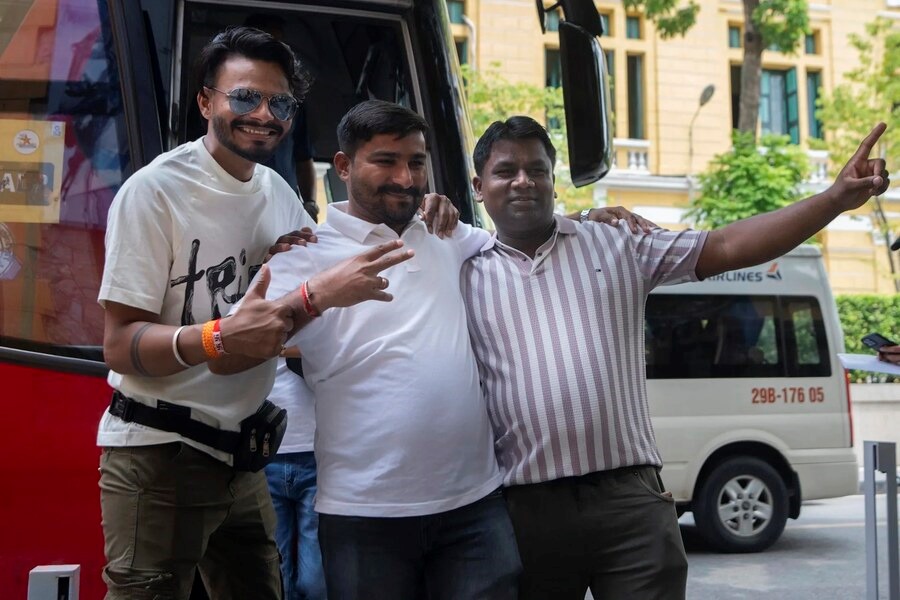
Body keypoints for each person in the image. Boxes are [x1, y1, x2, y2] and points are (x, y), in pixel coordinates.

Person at [218, 99, 649, 599]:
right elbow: (229, 353)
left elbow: (521, 233)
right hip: (363, 514)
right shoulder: (302, 254)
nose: (405, 177)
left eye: (417, 162)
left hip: (476, 509)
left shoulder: (449, 235)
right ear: (343, 166)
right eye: (386, 161)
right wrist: (315, 297)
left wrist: (589, 217)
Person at [460, 115, 891, 600]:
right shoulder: (460, 268)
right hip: (524, 510)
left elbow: (727, 245)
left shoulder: (617, 241)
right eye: (506, 171)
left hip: (631, 503)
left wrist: (834, 199)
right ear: (478, 186)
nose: (523, 181)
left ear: (554, 182)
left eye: (537, 169)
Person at [96, 28, 417, 599]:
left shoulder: (276, 192)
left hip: (244, 455)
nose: (265, 114)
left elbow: (296, 315)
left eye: (281, 103)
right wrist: (218, 337)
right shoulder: (154, 192)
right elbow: (120, 345)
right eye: (245, 97)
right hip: (158, 453)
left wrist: (424, 206)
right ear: (205, 102)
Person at [244, 13, 319, 222]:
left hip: (284, 207)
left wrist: (310, 204)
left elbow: (304, 158)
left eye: (279, 44)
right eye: (243, 100)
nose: (264, 116)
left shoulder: (293, 103)